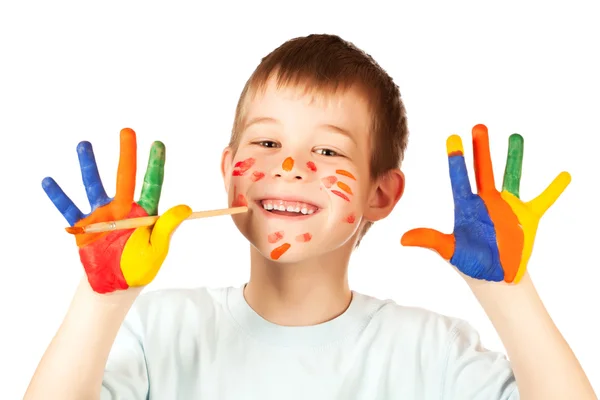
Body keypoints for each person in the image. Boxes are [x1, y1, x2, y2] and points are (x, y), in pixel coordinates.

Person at [25, 34, 596, 399]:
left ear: (381, 194)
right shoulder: (156, 333)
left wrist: (508, 291)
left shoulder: (432, 352)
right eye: (267, 142)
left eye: (328, 151)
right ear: (229, 171)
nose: (291, 165)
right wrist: (101, 298)